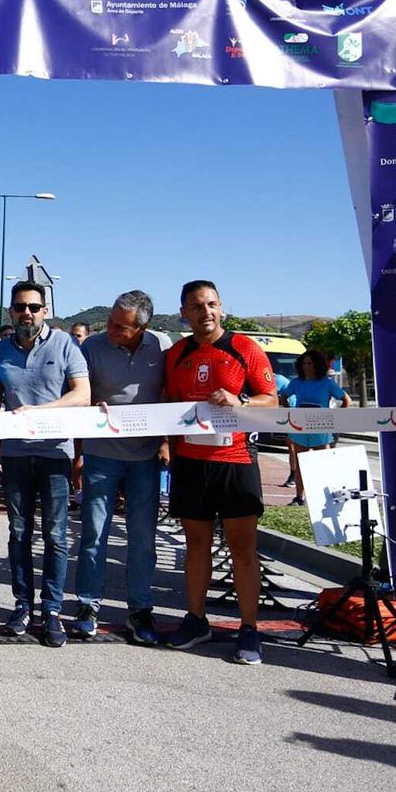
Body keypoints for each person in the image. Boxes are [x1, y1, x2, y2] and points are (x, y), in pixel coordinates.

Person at [163, 280, 278, 665]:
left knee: (241, 547)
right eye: (197, 306)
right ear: (184, 313)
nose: (206, 312)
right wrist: (167, 444)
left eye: (211, 304)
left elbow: (271, 401)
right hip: (191, 462)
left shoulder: (245, 347)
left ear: (221, 307)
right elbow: (170, 404)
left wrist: (240, 400)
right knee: (196, 545)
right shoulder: (177, 353)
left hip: (235, 461)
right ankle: (196, 620)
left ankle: (249, 629)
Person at [0, 282, 91, 647]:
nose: (27, 313)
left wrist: (40, 411)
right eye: (20, 307)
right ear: (11, 310)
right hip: (15, 454)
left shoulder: (65, 344)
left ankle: (52, 610)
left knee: (55, 536)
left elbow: (82, 395)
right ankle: (23, 605)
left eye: (34, 307)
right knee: (19, 533)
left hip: (55, 454)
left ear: (45, 310)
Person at [76, 290, 171, 646]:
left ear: (142, 328)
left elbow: (169, 394)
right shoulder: (92, 347)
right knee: (93, 534)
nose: (111, 329)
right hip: (101, 454)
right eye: (110, 321)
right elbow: (78, 392)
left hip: (145, 457)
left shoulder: (162, 346)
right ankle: (88, 605)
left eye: (121, 326)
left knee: (143, 538)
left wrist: (166, 441)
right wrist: (90, 407)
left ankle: (140, 609)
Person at [278, 349, 351, 506]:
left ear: (317, 364)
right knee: (300, 464)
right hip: (300, 430)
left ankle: (324, 498)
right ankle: (299, 497)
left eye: (310, 363)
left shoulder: (327, 383)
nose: (307, 366)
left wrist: (336, 418)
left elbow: (346, 400)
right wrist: (289, 412)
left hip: (321, 430)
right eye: (304, 363)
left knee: (323, 464)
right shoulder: (296, 383)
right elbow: (284, 395)